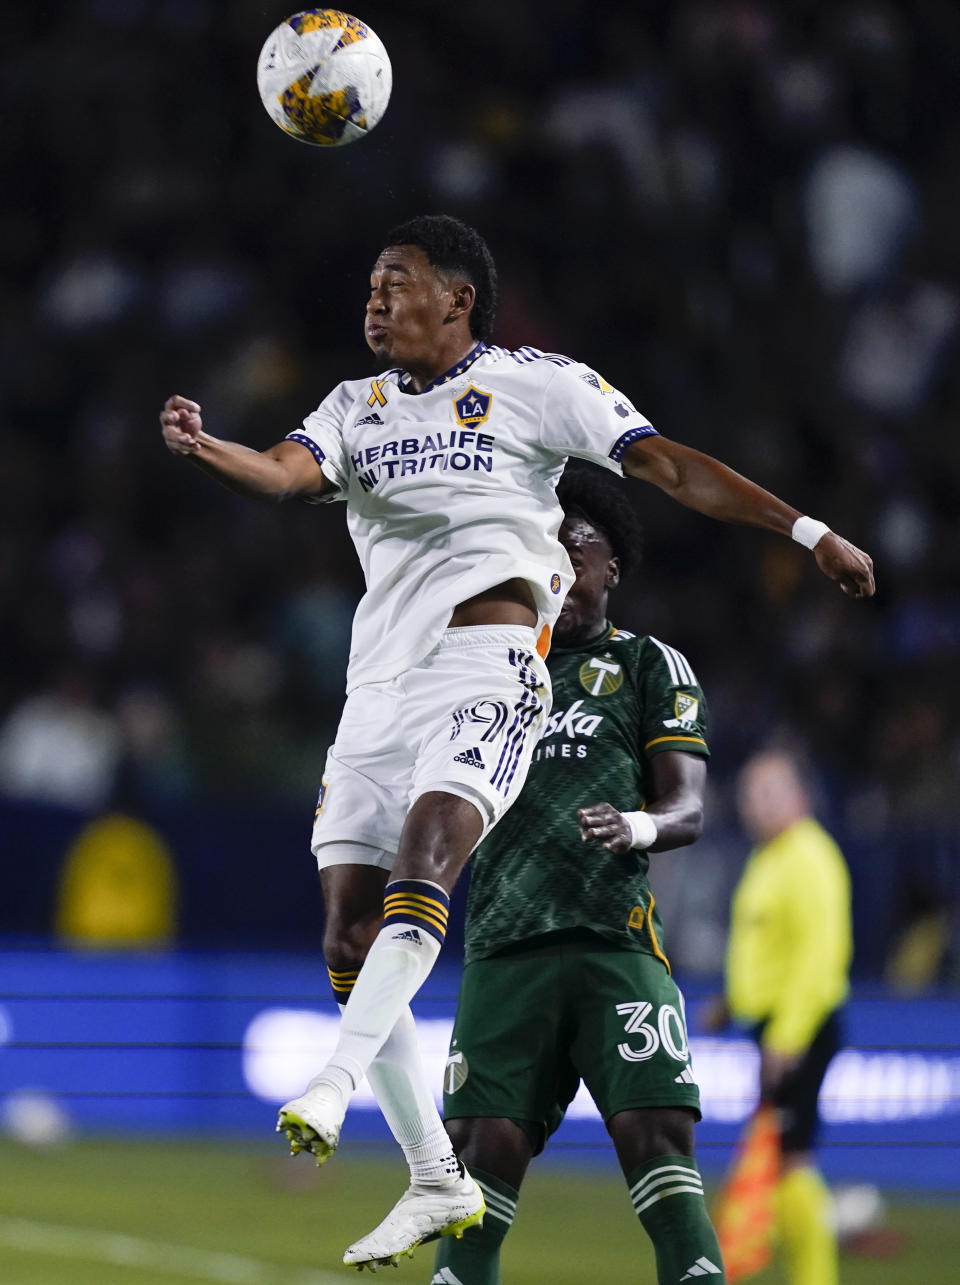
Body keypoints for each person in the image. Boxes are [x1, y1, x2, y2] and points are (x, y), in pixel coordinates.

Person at [159, 214, 873, 1271]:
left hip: (487, 666)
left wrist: (809, 531)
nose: (373, 300)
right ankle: (430, 1176)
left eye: (394, 282)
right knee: (347, 940)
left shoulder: (540, 385)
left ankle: (335, 1081)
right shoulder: (352, 409)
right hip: (378, 692)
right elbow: (282, 473)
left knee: (430, 857)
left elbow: (670, 467)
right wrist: (205, 444)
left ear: (457, 298)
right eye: (367, 284)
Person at [433, 465, 725, 1285]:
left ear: (611, 568)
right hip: (503, 943)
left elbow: (688, 809)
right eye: (541, 554)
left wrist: (634, 824)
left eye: (576, 548)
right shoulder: (485, 669)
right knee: (477, 1162)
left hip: (612, 942)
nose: (558, 567)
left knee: (660, 1142)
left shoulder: (648, 666)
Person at [706, 750, 853, 1285]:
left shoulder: (809, 858)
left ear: (800, 797)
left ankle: (815, 1276)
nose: (755, 804)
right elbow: (770, 947)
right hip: (776, 1026)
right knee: (786, 1156)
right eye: (750, 793)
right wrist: (731, 1002)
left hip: (802, 1028)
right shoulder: (772, 857)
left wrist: (788, 1037)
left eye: (768, 792)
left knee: (793, 1159)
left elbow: (820, 958)